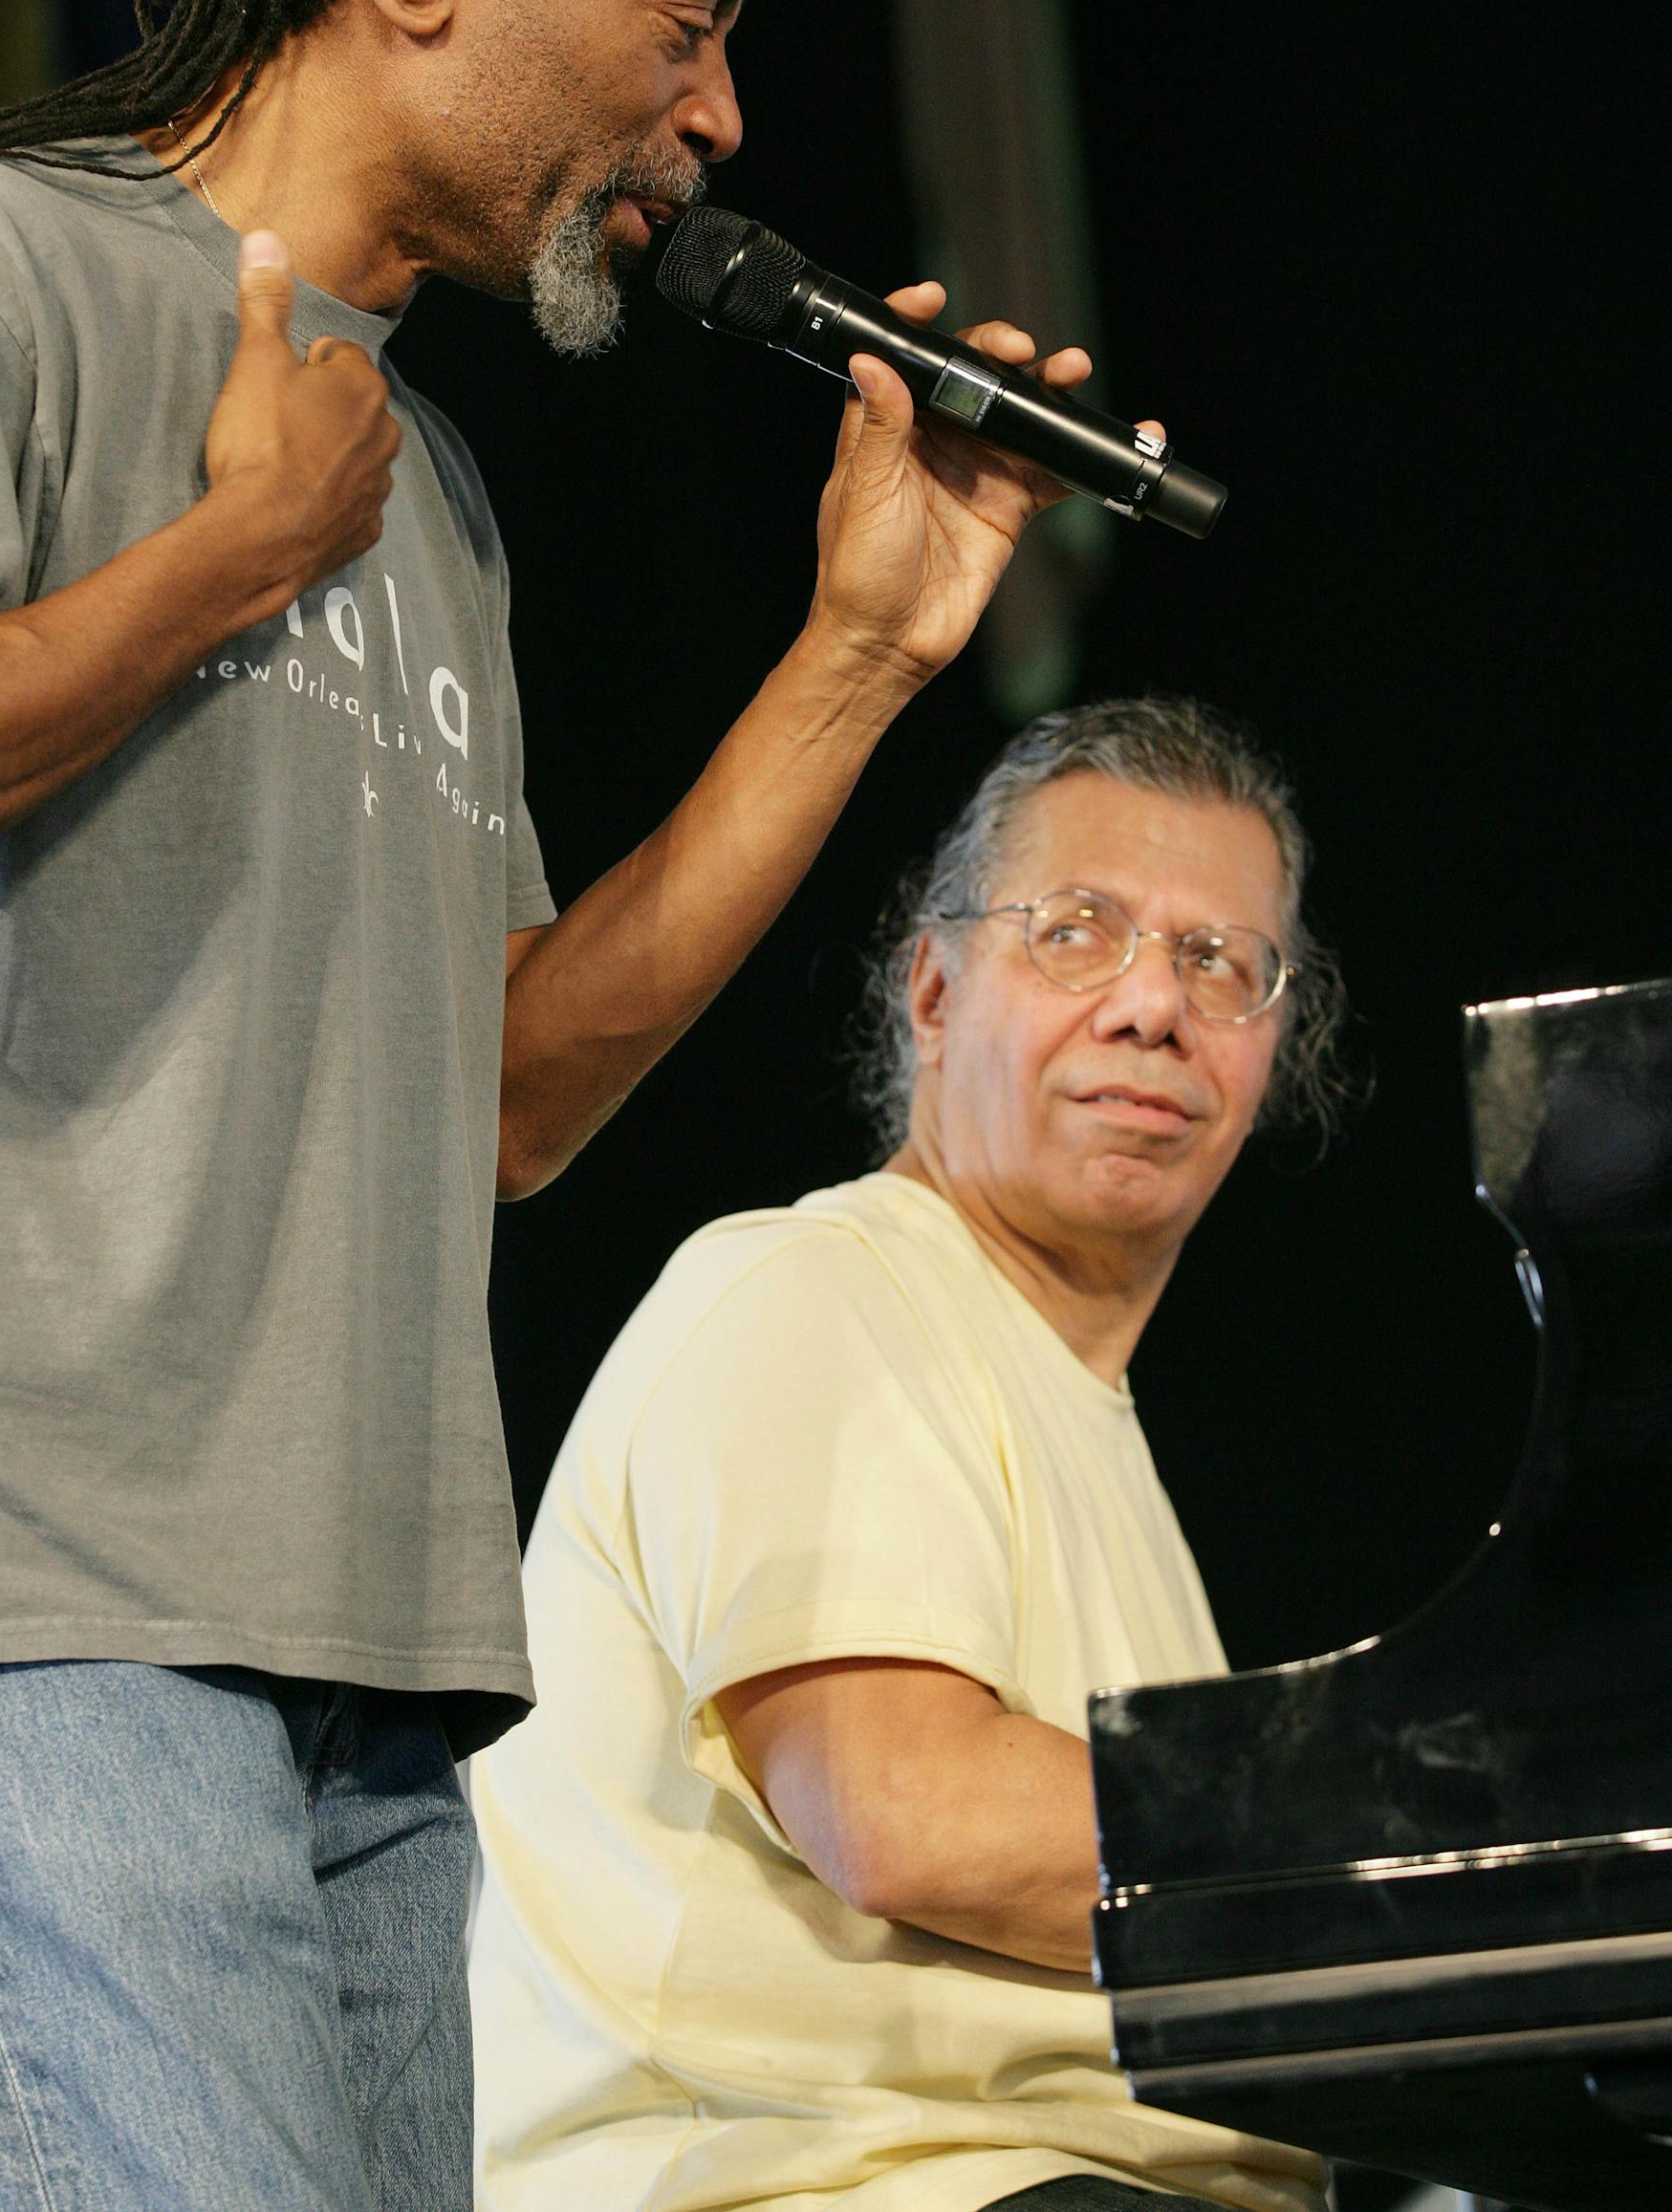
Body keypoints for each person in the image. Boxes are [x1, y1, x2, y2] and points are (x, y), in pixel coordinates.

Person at [0, 0, 1108, 2212]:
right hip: (9, 1588)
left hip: (351, 1649)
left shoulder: (428, 495)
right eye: (683, 13)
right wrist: (217, 559)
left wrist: (860, 657)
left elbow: (510, 1095)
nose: (720, 112)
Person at [469, 695, 1351, 2212]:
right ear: (932, 993)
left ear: (1275, 1050)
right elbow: (906, 1810)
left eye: (1220, 961)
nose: (1155, 1006)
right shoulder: (809, 1293)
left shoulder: (1099, 1438)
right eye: (1080, 931)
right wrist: (1409, 1844)